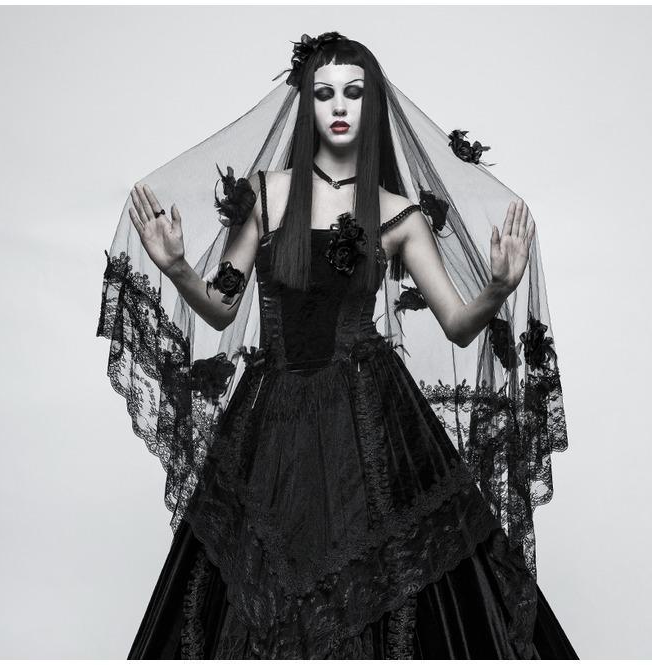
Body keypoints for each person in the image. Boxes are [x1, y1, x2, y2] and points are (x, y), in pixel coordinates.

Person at [98, 32, 577, 659]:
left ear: (372, 104)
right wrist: (178, 267)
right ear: (308, 106)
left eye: (353, 92)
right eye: (324, 94)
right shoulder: (268, 195)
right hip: (274, 416)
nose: (340, 106)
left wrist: (497, 287)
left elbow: (459, 324)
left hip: (369, 414)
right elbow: (221, 306)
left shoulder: (397, 213)